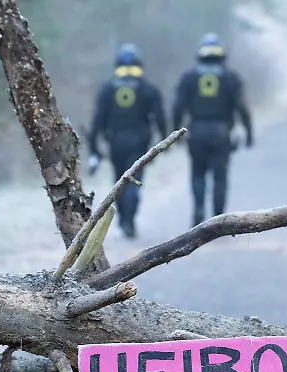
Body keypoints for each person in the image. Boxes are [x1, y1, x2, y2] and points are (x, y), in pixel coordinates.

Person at [172, 32, 254, 227]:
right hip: (221, 133)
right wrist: (248, 132)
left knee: (198, 174)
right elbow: (242, 107)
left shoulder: (189, 77)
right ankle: (218, 218)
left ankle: (199, 210)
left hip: (196, 133)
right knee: (220, 176)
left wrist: (175, 132)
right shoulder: (231, 77)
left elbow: (177, 107)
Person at [86, 43, 167, 239]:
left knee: (120, 181)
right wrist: (165, 141)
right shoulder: (148, 88)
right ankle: (129, 219)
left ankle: (124, 219)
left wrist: (94, 148)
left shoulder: (107, 88)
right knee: (135, 181)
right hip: (139, 143)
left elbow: (97, 121)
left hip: (115, 143)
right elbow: (160, 117)